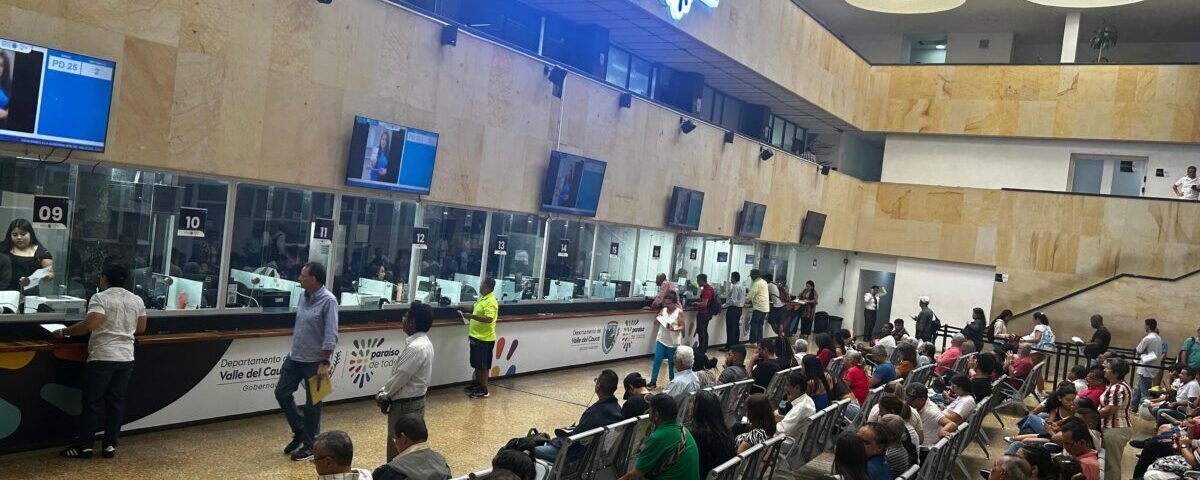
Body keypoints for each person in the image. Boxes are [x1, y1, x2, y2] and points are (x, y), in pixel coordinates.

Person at [53, 264, 146, 459]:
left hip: (103, 357)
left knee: (92, 403)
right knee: (116, 402)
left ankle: (85, 447)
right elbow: (141, 328)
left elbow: (91, 324)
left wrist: (64, 332)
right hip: (126, 357)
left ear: (104, 278)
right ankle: (110, 446)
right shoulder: (136, 299)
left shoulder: (100, 298)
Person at [275, 262, 339, 461]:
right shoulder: (303, 296)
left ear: (314, 279)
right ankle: (300, 429)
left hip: (315, 361)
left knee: (313, 405)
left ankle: (310, 446)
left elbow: (331, 333)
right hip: (295, 356)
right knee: (281, 392)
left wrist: (325, 362)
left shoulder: (329, 301)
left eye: (303, 276)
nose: (299, 278)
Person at [377, 303, 436, 461]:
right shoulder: (424, 343)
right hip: (415, 402)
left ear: (412, 322)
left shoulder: (415, 348)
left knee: (398, 449)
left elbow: (400, 377)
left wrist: (384, 395)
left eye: (406, 316)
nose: (403, 319)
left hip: (405, 406)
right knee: (412, 448)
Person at [535, 370, 624, 463]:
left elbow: (574, 439)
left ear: (598, 386)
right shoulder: (618, 409)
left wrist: (554, 441)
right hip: (594, 455)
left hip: (576, 456)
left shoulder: (594, 412)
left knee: (532, 450)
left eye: (596, 380)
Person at [617, 394, 699, 480]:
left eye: (650, 409)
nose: (648, 411)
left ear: (656, 415)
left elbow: (636, 474)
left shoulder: (658, 438)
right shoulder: (682, 429)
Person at [372, 415, 452, 480]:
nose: (395, 443)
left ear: (403, 438)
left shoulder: (390, 472)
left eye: (395, 438)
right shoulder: (442, 464)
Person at [459, 277, 499, 399]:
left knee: (484, 365)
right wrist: (460, 308)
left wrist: (471, 317)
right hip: (475, 336)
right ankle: (477, 383)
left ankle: (484, 389)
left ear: (487, 287)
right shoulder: (483, 298)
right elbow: (475, 309)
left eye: (482, 285)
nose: (480, 287)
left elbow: (489, 319)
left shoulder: (491, 301)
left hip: (485, 338)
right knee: (476, 363)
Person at [1099, 358, 1133, 480]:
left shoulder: (1118, 388)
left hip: (1115, 429)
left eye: (1107, 368)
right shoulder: (1115, 385)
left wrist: (1091, 416)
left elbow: (1110, 410)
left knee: (1111, 464)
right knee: (1110, 463)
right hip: (1114, 428)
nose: (1104, 369)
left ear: (1116, 373)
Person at [689, 390, 735, 478]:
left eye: (693, 402)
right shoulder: (725, 432)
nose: (690, 405)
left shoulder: (698, 436)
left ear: (699, 409)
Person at [2, 218, 54, 293]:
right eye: (15, 235)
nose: (19, 237)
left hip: (29, 294)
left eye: (23, 234)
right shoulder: (2, 249)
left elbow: (50, 275)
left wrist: (45, 275)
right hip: (4, 293)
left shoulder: (42, 253)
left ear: (30, 234)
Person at [649, 291, 685, 389]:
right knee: (657, 360)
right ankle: (653, 381)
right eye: (665, 303)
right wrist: (658, 318)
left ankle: (672, 382)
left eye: (669, 303)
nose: (667, 305)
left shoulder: (679, 312)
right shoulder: (663, 310)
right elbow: (656, 322)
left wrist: (674, 329)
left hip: (673, 342)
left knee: (672, 363)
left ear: (674, 302)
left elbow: (682, 326)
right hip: (662, 339)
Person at [1133, 318, 1165, 413]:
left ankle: (1147, 411)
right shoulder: (1158, 338)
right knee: (1139, 389)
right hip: (1153, 367)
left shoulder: (1148, 338)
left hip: (1145, 367)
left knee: (1145, 392)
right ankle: (1133, 407)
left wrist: (1142, 355)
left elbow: (1139, 350)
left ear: (1147, 326)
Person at [777, 370, 817, 439]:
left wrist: (770, 421)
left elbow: (782, 430)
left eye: (787, 385)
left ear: (797, 388)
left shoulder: (800, 407)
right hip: (795, 436)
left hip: (785, 440)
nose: (785, 388)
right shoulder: (809, 400)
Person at [722, 272, 746, 351]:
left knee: (730, 329)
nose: (730, 279)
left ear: (733, 278)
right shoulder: (742, 286)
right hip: (739, 309)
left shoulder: (735, 287)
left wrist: (724, 306)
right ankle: (735, 346)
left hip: (733, 309)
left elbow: (733, 300)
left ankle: (729, 347)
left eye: (731, 277)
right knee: (736, 328)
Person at [694, 274, 715, 353]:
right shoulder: (710, 288)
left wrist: (695, 303)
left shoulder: (706, 290)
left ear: (702, 280)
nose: (697, 282)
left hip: (703, 313)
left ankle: (701, 349)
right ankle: (704, 347)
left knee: (701, 331)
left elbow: (704, 304)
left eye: (698, 280)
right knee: (704, 331)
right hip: (707, 313)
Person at [747, 269, 769, 344]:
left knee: (754, 324)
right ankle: (760, 342)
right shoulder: (764, 282)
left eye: (751, 276)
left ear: (754, 276)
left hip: (759, 307)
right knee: (760, 325)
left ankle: (753, 342)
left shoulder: (757, 283)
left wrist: (744, 300)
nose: (751, 278)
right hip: (765, 307)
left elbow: (750, 295)